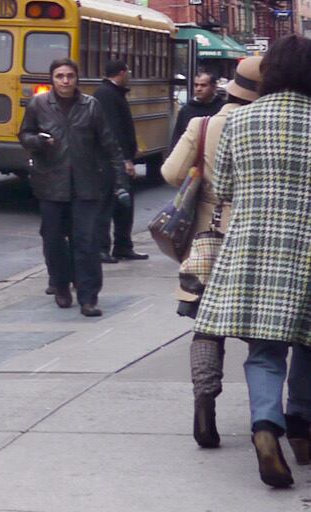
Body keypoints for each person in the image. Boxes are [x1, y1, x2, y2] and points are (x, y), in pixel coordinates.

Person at [193, 36, 311, 489]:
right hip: (305, 245)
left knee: (264, 349)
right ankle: (300, 421)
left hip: (253, 247)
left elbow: (220, 186)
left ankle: (266, 427)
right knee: (306, 341)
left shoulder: (240, 122)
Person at [161, 57, 250, 450]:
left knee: (206, 327)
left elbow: (170, 173)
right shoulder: (259, 127)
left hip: (206, 240)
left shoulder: (202, 125)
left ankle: (204, 400)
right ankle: (267, 412)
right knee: (262, 334)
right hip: (250, 240)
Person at [19, 57, 125, 316]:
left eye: (69, 76)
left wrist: (120, 180)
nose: (65, 81)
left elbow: (109, 145)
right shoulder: (39, 104)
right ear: (52, 80)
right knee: (53, 239)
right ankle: (61, 284)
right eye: (59, 76)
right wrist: (38, 141)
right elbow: (24, 135)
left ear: (76, 79)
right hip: (50, 184)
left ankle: (88, 297)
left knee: (86, 242)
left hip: (86, 185)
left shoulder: (91, 106)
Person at [93, 60, 146, 263]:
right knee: (107, 204)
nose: (129, 76)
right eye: (128, 72)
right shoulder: (106, 95)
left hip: (117, 160)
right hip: (110, 162)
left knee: (124, 205)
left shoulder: (113, 93)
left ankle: (123, 245)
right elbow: (112, 131)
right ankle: (102, 248)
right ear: (122, 73)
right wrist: (124, 160)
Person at [173, 69, 226, 153]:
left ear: (213, 87)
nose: (198, 88)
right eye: (196, 85)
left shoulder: (223, 108)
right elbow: (177, 137)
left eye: (203, 85)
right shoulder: (186, 110)